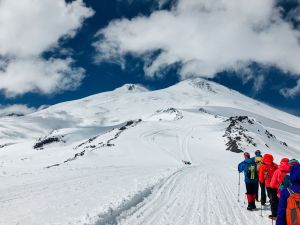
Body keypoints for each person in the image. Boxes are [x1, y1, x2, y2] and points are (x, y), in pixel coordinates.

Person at [259, 153, 278, 219]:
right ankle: (276, 209)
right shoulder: (274, 165)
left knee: (271, 197)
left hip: (268, 184)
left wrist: (261, 181)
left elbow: (261, 176)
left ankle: (274, 212)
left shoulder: (262, 166)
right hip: (276, 184)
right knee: (276, 197)